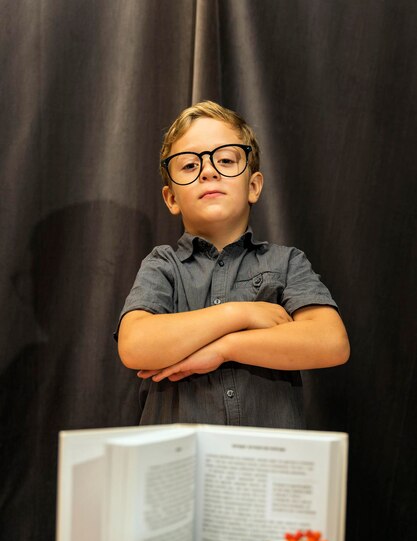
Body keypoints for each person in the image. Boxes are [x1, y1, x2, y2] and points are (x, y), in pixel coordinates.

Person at [116, 101, 350, 428]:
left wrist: (225, 349)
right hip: (178, 470)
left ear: (253, 186)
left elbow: (331, 342)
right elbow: (135, 346)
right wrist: (238, 313)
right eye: (188, 165)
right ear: (171, 198)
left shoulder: (286, 263)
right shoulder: (162, 265)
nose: (209, 171)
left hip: (265, 468)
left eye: (225, 160)